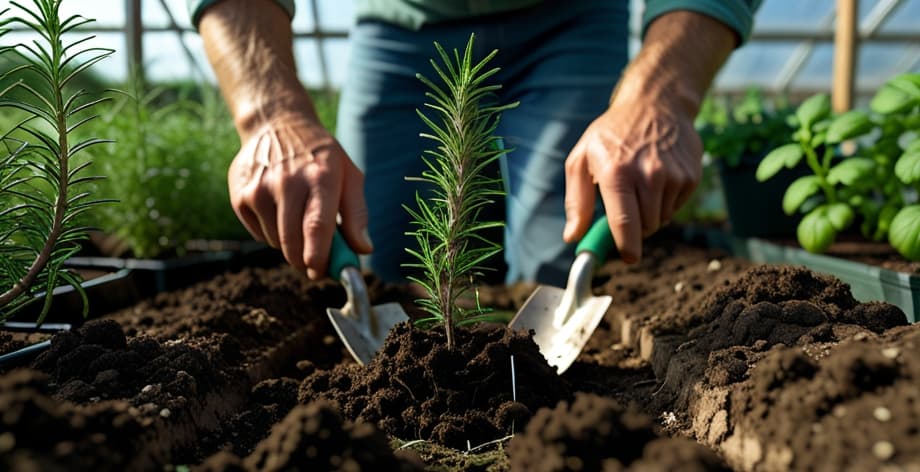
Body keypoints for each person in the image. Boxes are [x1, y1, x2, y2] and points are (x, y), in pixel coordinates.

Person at [189, 0, 760, 284]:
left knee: (558, 258)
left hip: (574, 19)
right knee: (376, 257)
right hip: (402, 21)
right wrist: (268, 114)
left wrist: (663, 95)